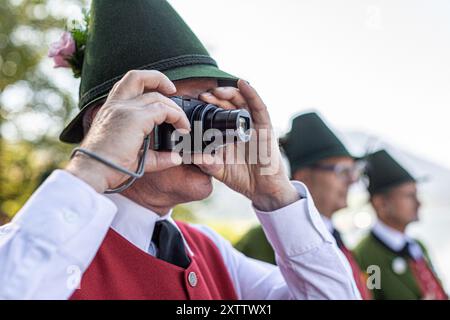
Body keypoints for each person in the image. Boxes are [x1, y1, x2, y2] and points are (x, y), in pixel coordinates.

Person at [0, 0, 359, 300]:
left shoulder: (212, 252)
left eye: (216, 108)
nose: (210, 130)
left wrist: (276, 196)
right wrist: (93, 166)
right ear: (107, 123)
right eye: (187, 109)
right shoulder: (33, 248)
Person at [236, 112, 371, 299]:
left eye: (353, 172)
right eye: (342, 172)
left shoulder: (340, 239)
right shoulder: (262, 240)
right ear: (304, 177)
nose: (351, 181)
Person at [353, 150, 447, 300]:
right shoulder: (366, 256)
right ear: (381, 203)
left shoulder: (417, 246)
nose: (418, 203)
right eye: (409, 196)